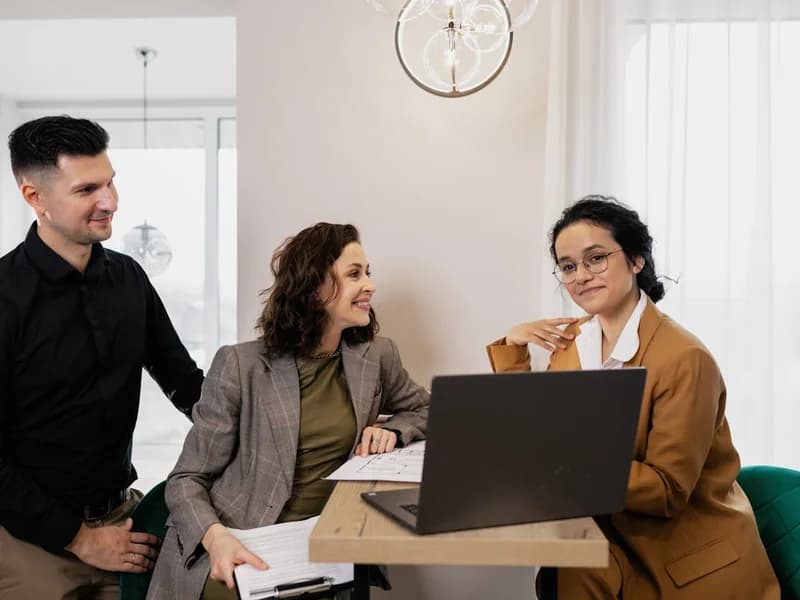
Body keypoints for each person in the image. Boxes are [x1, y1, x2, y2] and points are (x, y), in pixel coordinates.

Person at [487, 196, 779, 599]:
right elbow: (536, 434)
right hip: (602, 551)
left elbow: (665, 489)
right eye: (568, 266)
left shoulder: (685, 358)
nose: (580, 276)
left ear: (637, 259)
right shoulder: (573, 344)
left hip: (682, 566)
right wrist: (514, 348)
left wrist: (563, 467)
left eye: (596, 259)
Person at [146, 222, 430, 599]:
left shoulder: (376, 357)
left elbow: (429, 409)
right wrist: (216, 540)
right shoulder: (240, 365)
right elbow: (186, 479)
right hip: (238, 540)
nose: (370, 285)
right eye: (354, 274)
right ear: (314, 288)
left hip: (323, 545)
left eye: (368, 272)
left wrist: (395, 430)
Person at [0, 115, 204, 599]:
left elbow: (185, 383)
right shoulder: (4, 298)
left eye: (110, 182)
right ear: (35, 198)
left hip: (122, 525)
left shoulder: (130, 278)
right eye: (87, 189)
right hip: (31, 544)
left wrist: (268, 428)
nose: (109, 201)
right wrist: (79, 539)